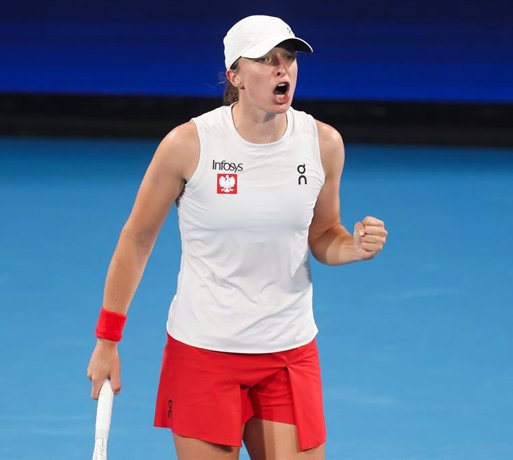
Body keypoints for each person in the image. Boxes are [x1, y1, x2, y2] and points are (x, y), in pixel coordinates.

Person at [87, 14, 388, 460]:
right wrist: (107, 340)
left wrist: (353, 248)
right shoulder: (188, 145)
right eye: (266, 60)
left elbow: (323, 234)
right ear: (235, 76)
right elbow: (136, 239)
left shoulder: (323, 143)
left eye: (287, 58)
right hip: (204, 353)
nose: (282, 69)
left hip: (288, 353)